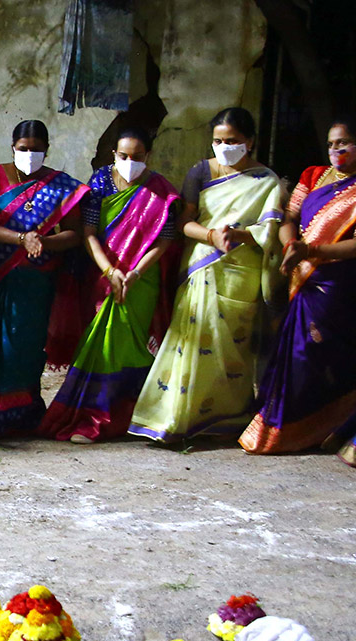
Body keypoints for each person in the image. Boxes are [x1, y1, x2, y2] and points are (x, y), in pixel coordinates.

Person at [130, 107, 284, 444]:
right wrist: (212, 235)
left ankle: (226, 419)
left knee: (232, 349)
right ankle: (174, 418)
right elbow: (185, 222)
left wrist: (239, 236)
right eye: (218, 140)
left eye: (233, 141)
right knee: (192, 340)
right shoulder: (200, 171)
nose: (224, 146)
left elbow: (270, 230)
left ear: (250, 141)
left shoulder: (266, 181)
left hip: (242, 270)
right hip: (202, 264)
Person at [0, 119, 88, 440]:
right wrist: (22, 238)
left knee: (24, 348)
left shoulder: (62, 185)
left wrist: (43, 242)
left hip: (36, 282)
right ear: (13, 147)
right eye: (23, 149)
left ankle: (18, 416)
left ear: (47, 150)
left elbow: (75, 234)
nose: (29, 154)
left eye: (36, 150)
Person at [39, 127, 178, 442]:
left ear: (149, 157)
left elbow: (165, 241)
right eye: (123, 156)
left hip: (142, 281)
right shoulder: (99, 184)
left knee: (132, 349)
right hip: (102, 277)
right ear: (114, 154)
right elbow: (88, 233)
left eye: (137, 157)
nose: (130, 162)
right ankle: (94, 416)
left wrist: (136, 273)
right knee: (100, 347)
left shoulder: (161, 191)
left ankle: (130, 416)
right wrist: (109, 270)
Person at [240, 114, 356, 464]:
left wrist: (313, 251)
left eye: (344, 143)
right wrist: (292, 245)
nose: (337, 150)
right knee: (295, 353)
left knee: (325, 356)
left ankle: (321, 427)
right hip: (300, 277)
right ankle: (290, 428)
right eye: (332, 143)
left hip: (338, 286)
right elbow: (289, 220)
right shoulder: (313, 176)